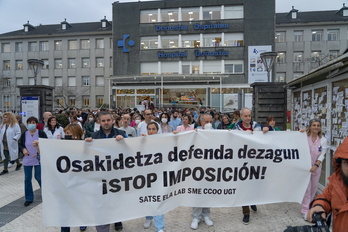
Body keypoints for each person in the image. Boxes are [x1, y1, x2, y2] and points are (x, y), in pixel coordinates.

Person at [85, 111, 127, 232]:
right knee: (101, 205)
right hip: (100, 177)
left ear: (113, 120)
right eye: (103, 121)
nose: (106, 123)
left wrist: (124, 142)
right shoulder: (93, 136)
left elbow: (133, 151)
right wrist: (86, 145)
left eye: (108, 120)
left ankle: (117, 219)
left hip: (117, 177)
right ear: (99, 122)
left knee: (116, 202)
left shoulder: (121, 133)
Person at [232, 107, 268, 224]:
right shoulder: (236, 128)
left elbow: (270, 132)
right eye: (245, 116)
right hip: (241, 161)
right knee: (243, 186)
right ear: (241, 117)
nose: (248, 118)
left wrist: (268, 129)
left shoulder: (257, 126)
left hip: (256, 161)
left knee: (255, 183)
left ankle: (253, 200)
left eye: (249, 116)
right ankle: (246, 212)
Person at [307, 137, 348, 232]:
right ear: (340, 164)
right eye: (347, 163)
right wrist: (319, 206)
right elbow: (325, 198)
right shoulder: (337, 183)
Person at [60, 124, 86, 232]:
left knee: (80, 203)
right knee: (65, 207)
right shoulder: (61, 146)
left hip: (81, 180)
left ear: (76, 134)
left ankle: (82, 221)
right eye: (66, 133)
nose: (67, 135)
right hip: (66, 181)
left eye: (69, 133)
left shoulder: (84, 145)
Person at [300, 119, 327, 220]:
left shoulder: (323, 140)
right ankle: (304, 209)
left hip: (316, 167)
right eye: (314, 125)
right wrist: (300, 133)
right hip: (306, 167)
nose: (316, 127)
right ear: (310, 126)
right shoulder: (305, 137)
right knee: (307, 188)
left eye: (318, 125)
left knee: (314, 188)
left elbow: (322, 154)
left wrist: (316, 165)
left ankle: (310, 206)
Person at [190, 113, 214, 230]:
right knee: (197, 191)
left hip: (211, 167)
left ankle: (206, 215)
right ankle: (196, 217)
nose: (208, 124)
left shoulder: (217, 133)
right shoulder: (195, 132)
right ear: (201, 122)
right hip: (198, 167)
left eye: (210, 121)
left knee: (208, 191)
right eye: (206, 121)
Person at [19, 116, 48, 206]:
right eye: (30, 123)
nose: (32, 124)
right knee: (27, 179)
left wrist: (39, 151)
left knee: (38, 177)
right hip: (27, 159)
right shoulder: (24, 134)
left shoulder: (41, 133)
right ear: (27, 124)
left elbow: (46, 144)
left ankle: (47, 194)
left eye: (33, 123)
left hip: (38, 159)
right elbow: (20, 144)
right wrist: (23, 149)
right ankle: (29, 198)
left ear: (36, 124)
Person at [142, 122, 165, 232]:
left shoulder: (164, 141)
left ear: (158, 130)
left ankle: (159, 227)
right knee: (148, 198)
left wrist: (176, 136)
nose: (151, 131)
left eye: (154, 129)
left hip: (160, 175)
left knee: (158, 200)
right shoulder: (143, 142)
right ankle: (148, 217)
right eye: (149, 129)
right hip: (146, 176)